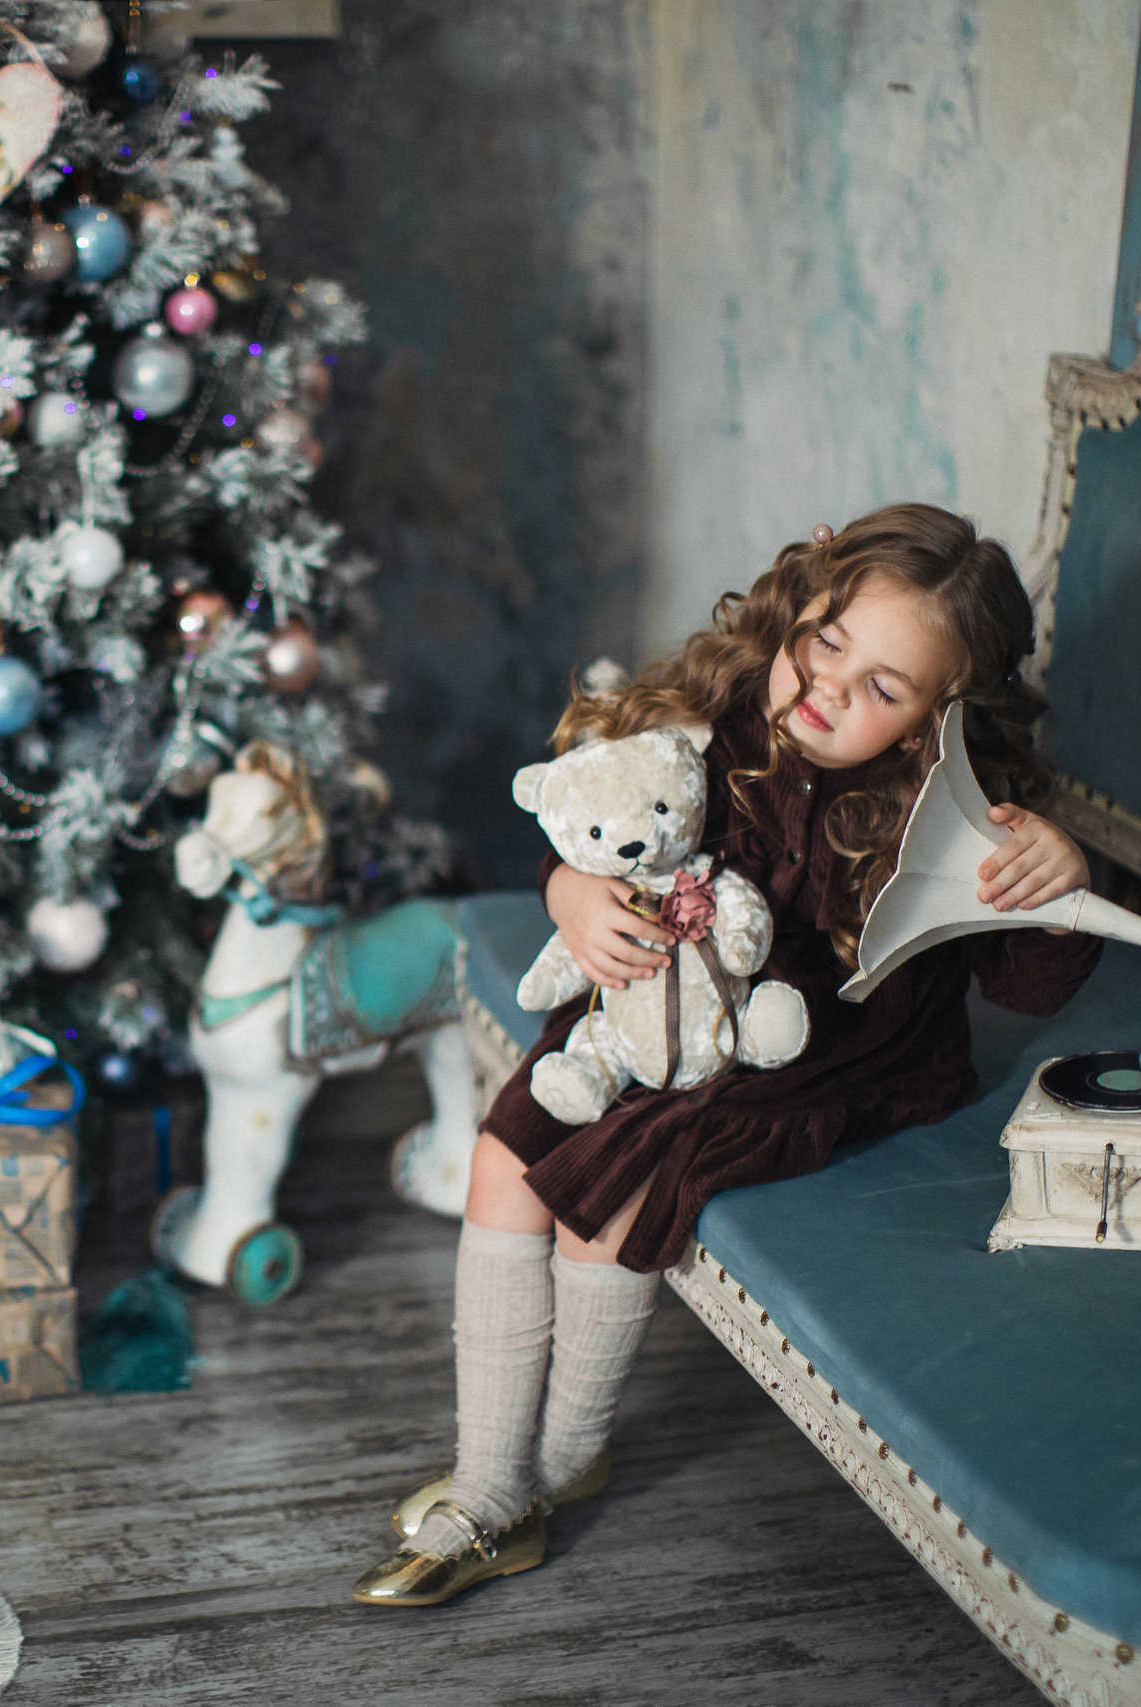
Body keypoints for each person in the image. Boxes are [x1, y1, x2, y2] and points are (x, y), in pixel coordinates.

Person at [353, 503, 1103, 1607]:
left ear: (934, 721)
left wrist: (1058, 884)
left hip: (827, 1050)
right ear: (800, 602)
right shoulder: (718, 708)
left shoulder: (948, 817)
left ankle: (538, 1475)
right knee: (505, 1154)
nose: (830, 686)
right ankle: (494, 1467)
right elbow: (591, 812)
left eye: (884, 688)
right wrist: (572, 896)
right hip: (659, 1010)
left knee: (607, 1189)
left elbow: (1025, 991)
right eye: (827, 640)